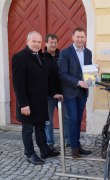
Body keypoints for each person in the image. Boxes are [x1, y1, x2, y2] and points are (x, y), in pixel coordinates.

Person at [12, 31, 60, 165]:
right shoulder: (19, 57)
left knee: (40, 128)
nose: (36, 44)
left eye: (39, 42)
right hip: (27, 103)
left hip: (40, 102)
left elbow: (47, 79)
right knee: (28, 130)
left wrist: (54, 92)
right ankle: (30, 154)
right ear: (27, 41)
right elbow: (18, 83)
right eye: (34, 41)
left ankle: (45, 150)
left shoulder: (42, 56)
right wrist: (23, 104)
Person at [59, 27, 93, 158]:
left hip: (83, 93)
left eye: (82, 37)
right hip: (70, 92)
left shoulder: (88, 53)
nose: (80, 39)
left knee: (78, 120)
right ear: (73, 37)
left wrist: (94, 70)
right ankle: (73, 148)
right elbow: (62, 74)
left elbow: (88, 71)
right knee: (73, 119)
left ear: (85, 38)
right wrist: (77, 82)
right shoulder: (65, 52)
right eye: (77, 37)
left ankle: (77, 146)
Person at [44, 34, 70, 150]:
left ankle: (68, 141)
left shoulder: (62, 56)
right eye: (51, 42)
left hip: (62, 94)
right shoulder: (42, 57)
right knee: (48, 120)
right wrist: (53, 92)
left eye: (55, 42)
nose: (53, 45)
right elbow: (45, 78)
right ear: (46, 44)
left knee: (66, 118)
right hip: (48, 95)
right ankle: (50, 142)